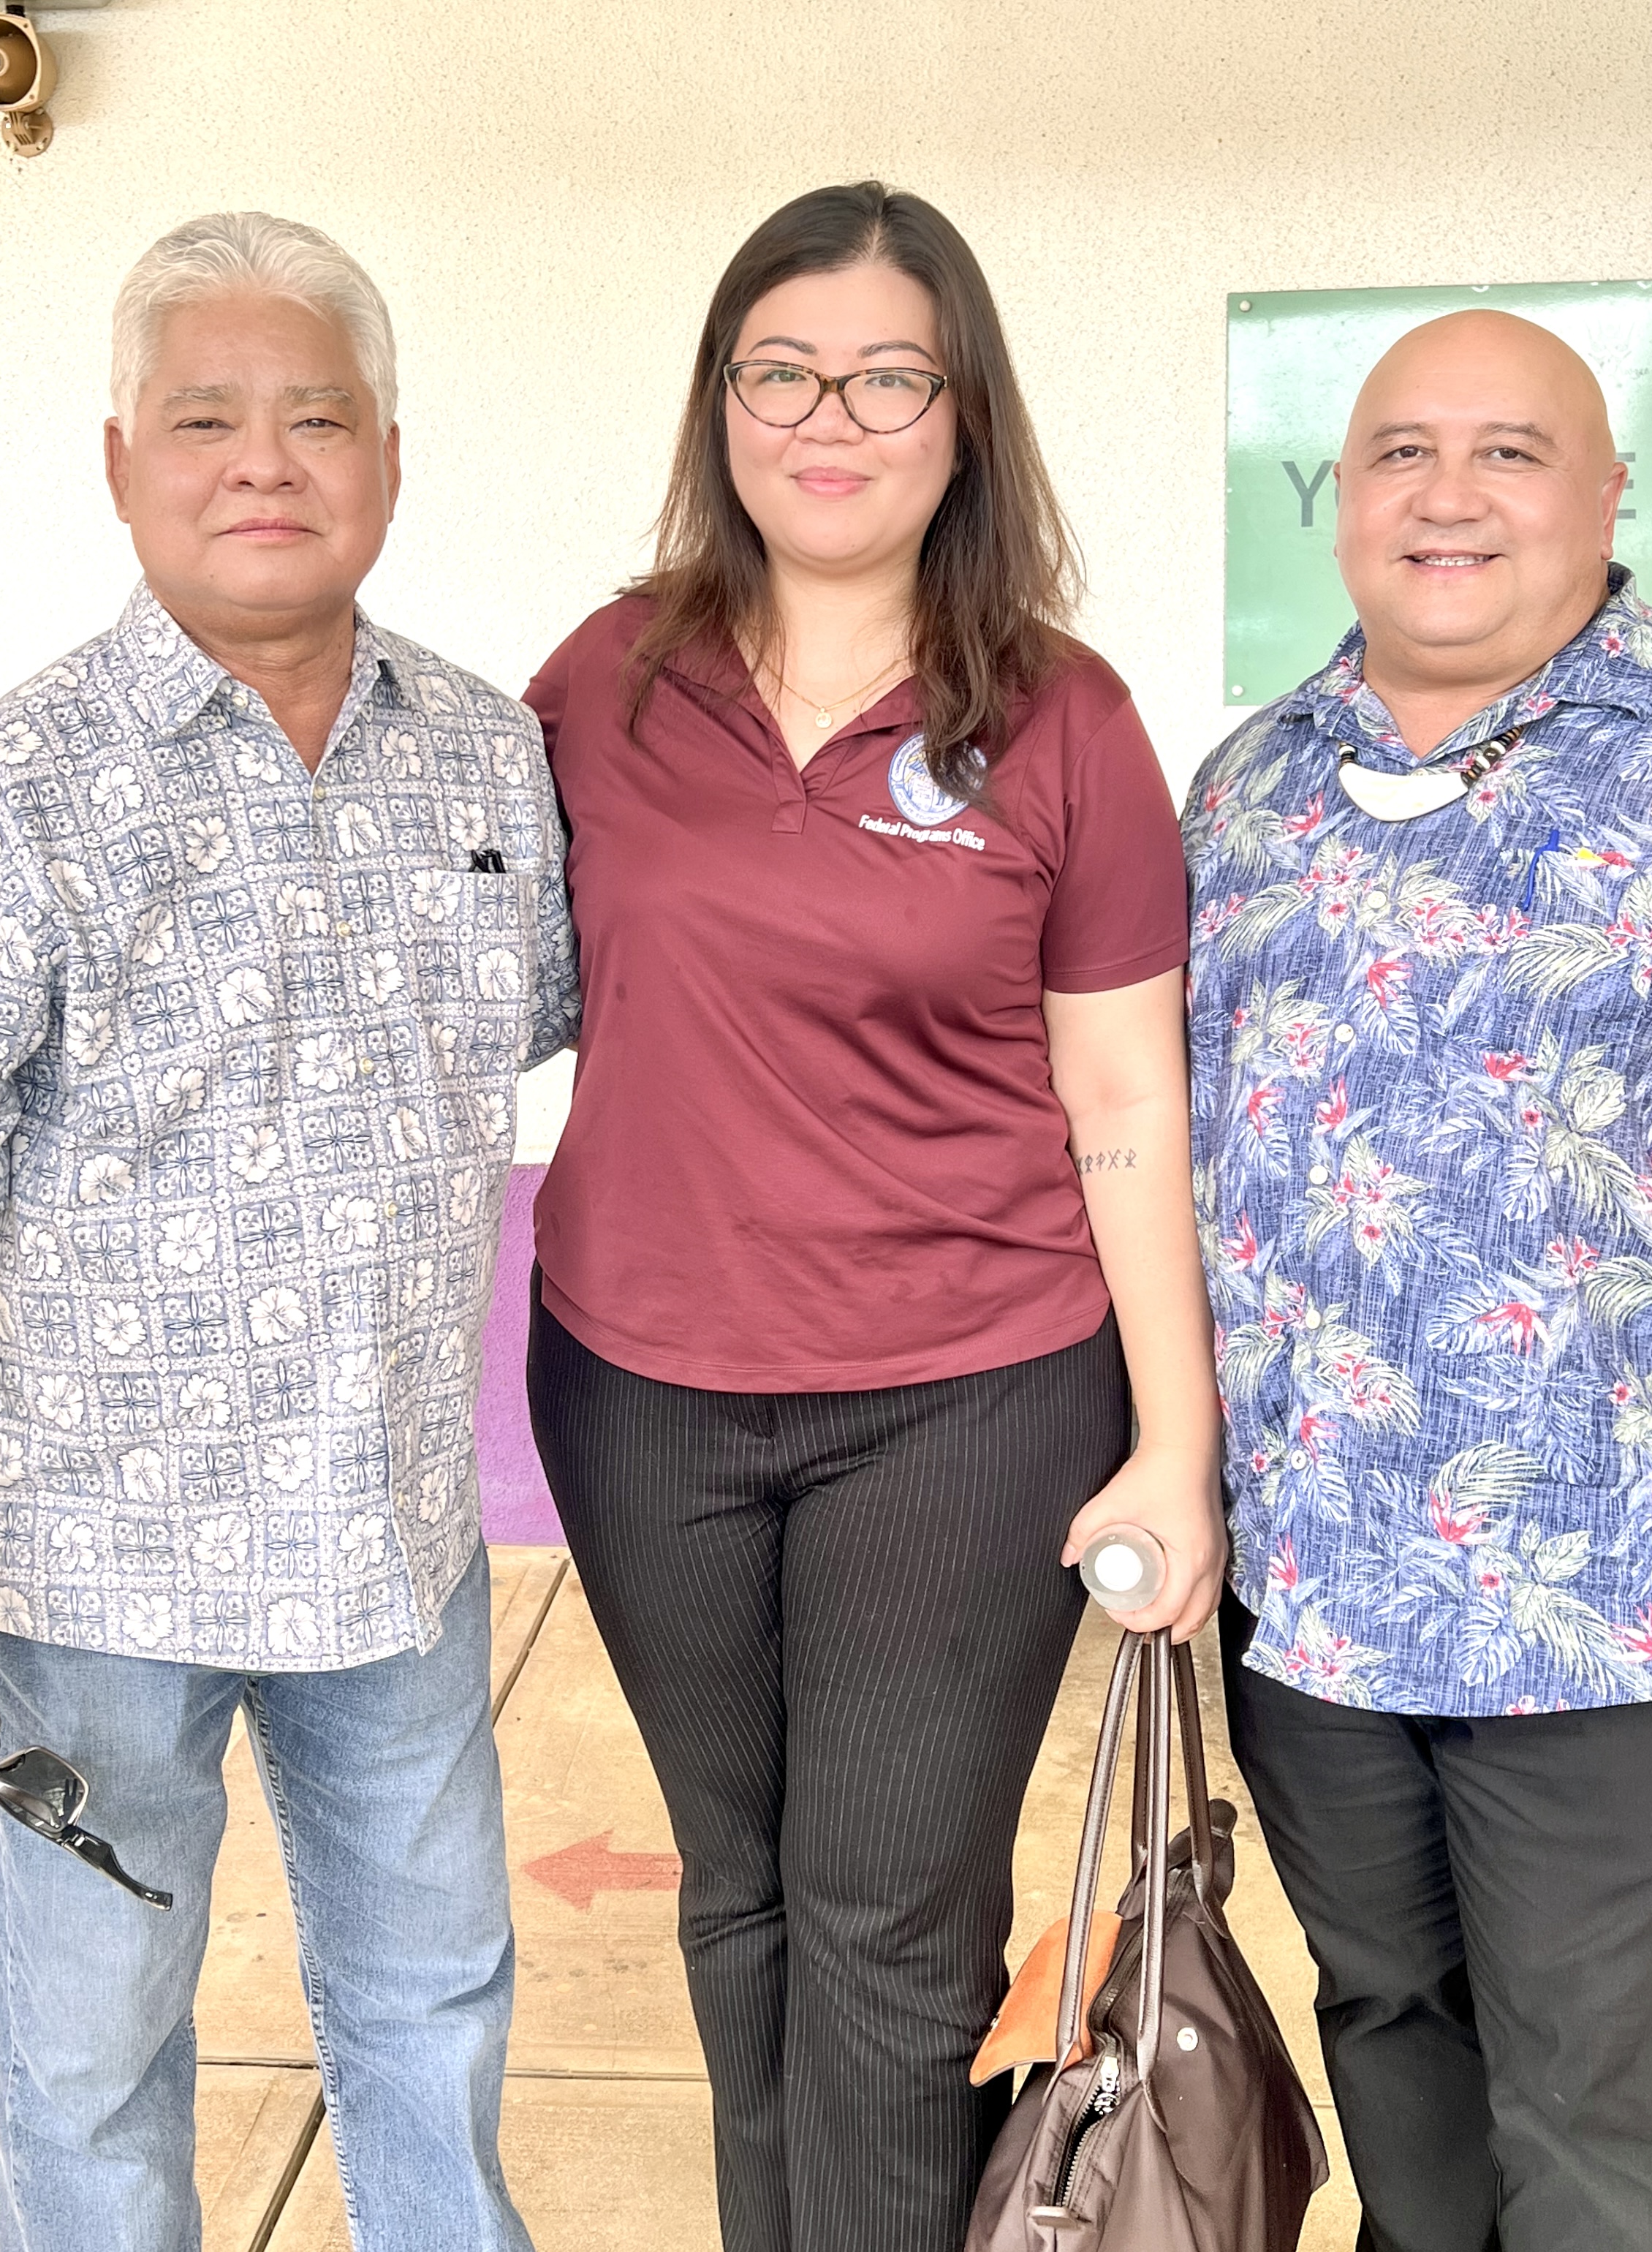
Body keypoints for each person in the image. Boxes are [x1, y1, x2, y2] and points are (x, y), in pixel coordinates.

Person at [0, 212, 577, 2252]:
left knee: (432, 2014)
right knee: (89, 2075)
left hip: (394, 1545)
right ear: (119, 465)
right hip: (94, 1578)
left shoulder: (491, 752)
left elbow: (583, 1022)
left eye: (316, 415)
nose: (264, 460)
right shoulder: (3, 800)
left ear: (390, 460)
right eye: (206, 419)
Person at [523, 180, 1225, 2252]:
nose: (829, 418)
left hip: (966, 1401)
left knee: (887, 1925)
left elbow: (1120, 1097)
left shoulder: (1062, 718)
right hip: (640, 1393)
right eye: (783, 372)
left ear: (962, 415)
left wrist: (1171, 1445)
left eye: (886, 375)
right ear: (722, 402)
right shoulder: (606, 677)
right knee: (735, 1900)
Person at [1185, 309, 1652, 2249]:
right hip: (1318, 1604)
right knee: (1392, 2060)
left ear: (1609, 494)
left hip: (1614, 1613)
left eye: (1508, 453)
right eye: (1401, 454)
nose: (1447, 496)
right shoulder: (1249, 787)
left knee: (1596, 2123)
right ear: (1339, 503)